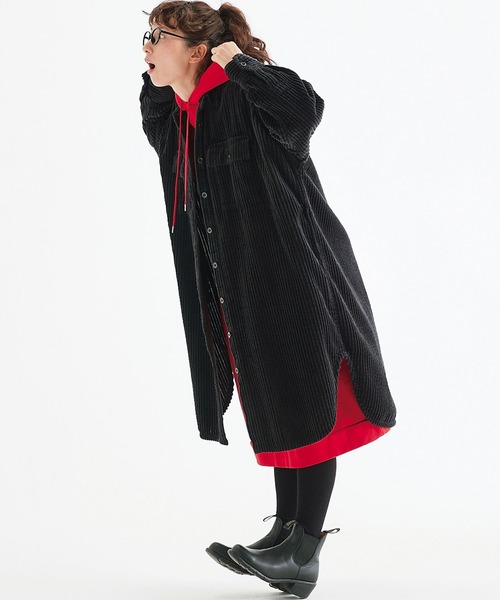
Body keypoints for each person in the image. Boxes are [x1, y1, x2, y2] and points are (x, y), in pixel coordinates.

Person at [140, 2, 397, 597]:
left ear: (199, 50)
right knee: (277, 398)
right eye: (145, 35)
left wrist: (237, 60)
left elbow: (304, 109)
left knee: (310, 398)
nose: (146, 46)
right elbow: (152, 112)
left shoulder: (246, 96)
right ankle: (284, 532)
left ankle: (303, 550)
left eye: (159, 35)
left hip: (297, 270)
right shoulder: (182, 116)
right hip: (243, 283)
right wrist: (165, 66)